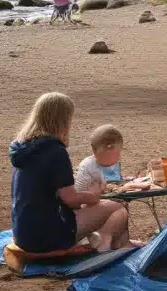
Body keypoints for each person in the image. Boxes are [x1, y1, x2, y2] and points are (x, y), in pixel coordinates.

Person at [9, 92, 132, 253]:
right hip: (47, 236)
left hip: (23, 234)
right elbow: (71, 200)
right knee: (118, 208)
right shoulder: (55, 150)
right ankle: (108, 246)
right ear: (62, 121)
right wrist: (92, 196)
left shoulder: (22, 148)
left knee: (99, 210)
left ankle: (115, 244)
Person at [74, 124, 125, 193]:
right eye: (107, 159)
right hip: (86, 198)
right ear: (95, 153)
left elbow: (115, 182)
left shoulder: (114, 163)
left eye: (116, 157)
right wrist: (100, 188)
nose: (111, 164)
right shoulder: (87, 166)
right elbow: (79, 191)